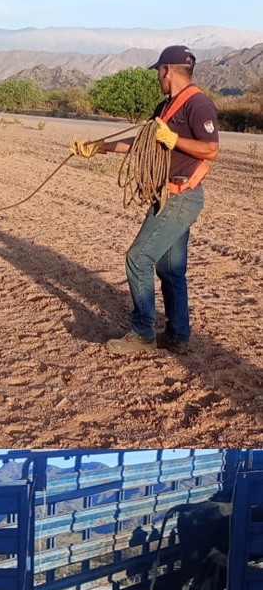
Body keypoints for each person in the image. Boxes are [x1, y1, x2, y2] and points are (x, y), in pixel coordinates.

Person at [70, 45, 220, 356]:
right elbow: (140, 142)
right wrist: (98, 147)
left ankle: (142, 332)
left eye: (158, 72)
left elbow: (212, 150)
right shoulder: (164, 107)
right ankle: (178, 336)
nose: (157, 78)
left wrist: (174, 139)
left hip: (181, 197)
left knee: (138, 258)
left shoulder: (199, 104)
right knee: (169, 269)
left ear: (167, 70)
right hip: (165, 194)